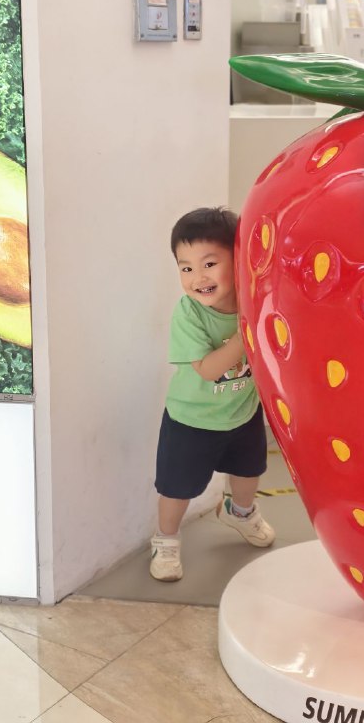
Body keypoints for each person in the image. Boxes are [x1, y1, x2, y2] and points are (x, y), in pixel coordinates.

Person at [150, 207, 275, 581]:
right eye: (186, 268)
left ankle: (239, 513)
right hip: (192, 420)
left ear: (237, 261)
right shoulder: (189, 313)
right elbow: (207, 369)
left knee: (249, 472)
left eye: (209, 264)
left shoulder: (253, 299)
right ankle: (166, 540)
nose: (197, 278)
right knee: (177, 489)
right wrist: (246, 333)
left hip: (242, 411)